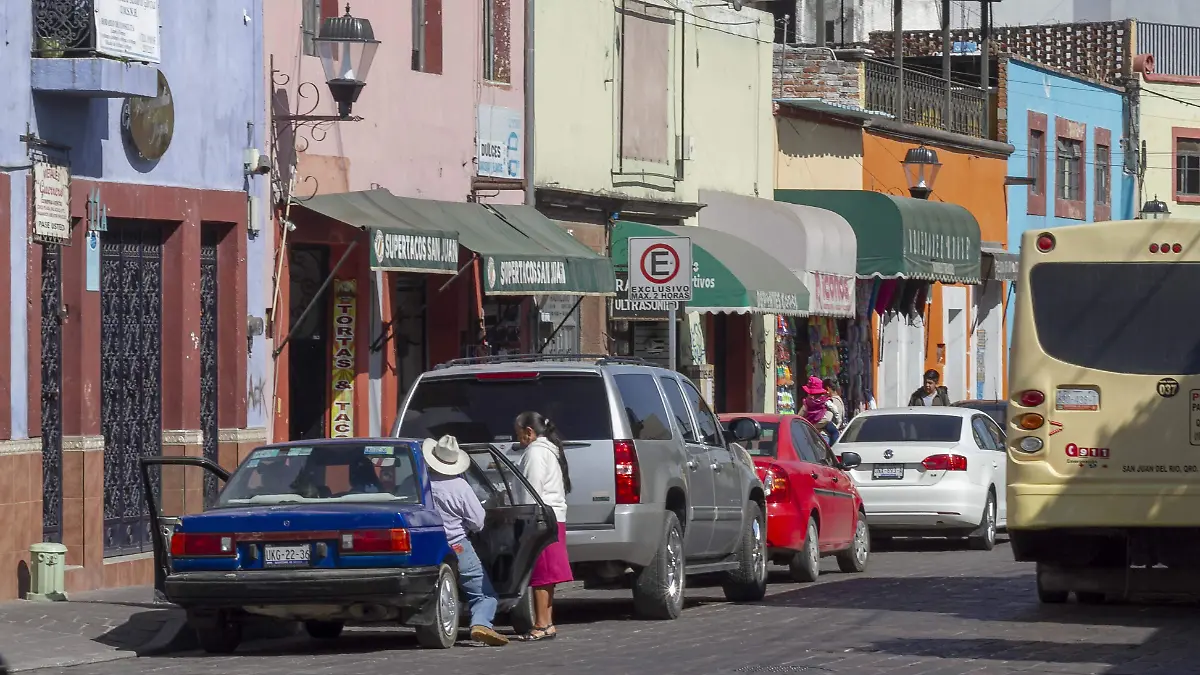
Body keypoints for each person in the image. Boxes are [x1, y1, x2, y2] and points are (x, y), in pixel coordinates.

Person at [423, 434, 509, 647]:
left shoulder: (418, 483)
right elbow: (478, 521)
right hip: (458, 545)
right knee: (484, 593)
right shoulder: (460, 487)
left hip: (427, 546)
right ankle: (481, 623)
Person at [512, 411, 572, 641]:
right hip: (554, 516)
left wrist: (523, 518)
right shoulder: (550, 450)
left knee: (541, 574)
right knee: (547, 575)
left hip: (540, 518)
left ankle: (541, 624)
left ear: (529, 432)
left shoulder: (535, 453)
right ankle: (547, 623)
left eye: (519, 434)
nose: (518, 439)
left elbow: (531, 490)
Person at [801, 377, 840, 445]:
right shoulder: (824, 400)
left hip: (811, 422)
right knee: (835, 432)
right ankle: (833, 447)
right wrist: (837, 419)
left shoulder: (807, 402)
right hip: (823, 422)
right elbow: (834, 409)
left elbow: (801, 415)